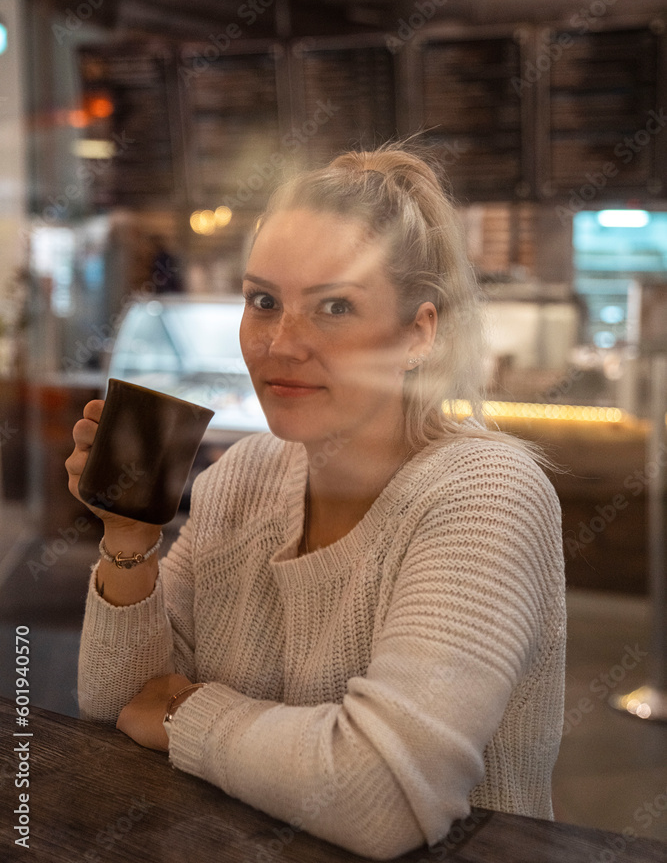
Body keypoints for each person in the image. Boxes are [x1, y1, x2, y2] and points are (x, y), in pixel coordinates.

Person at [68, 139, 565, 861]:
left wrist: (189, 718)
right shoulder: (243, 475)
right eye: (262, 301)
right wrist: (128, 540)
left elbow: (384, 796)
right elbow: (117, 699)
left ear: (417, 332)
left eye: (333, 306)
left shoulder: (486, 494)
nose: (280, 343)